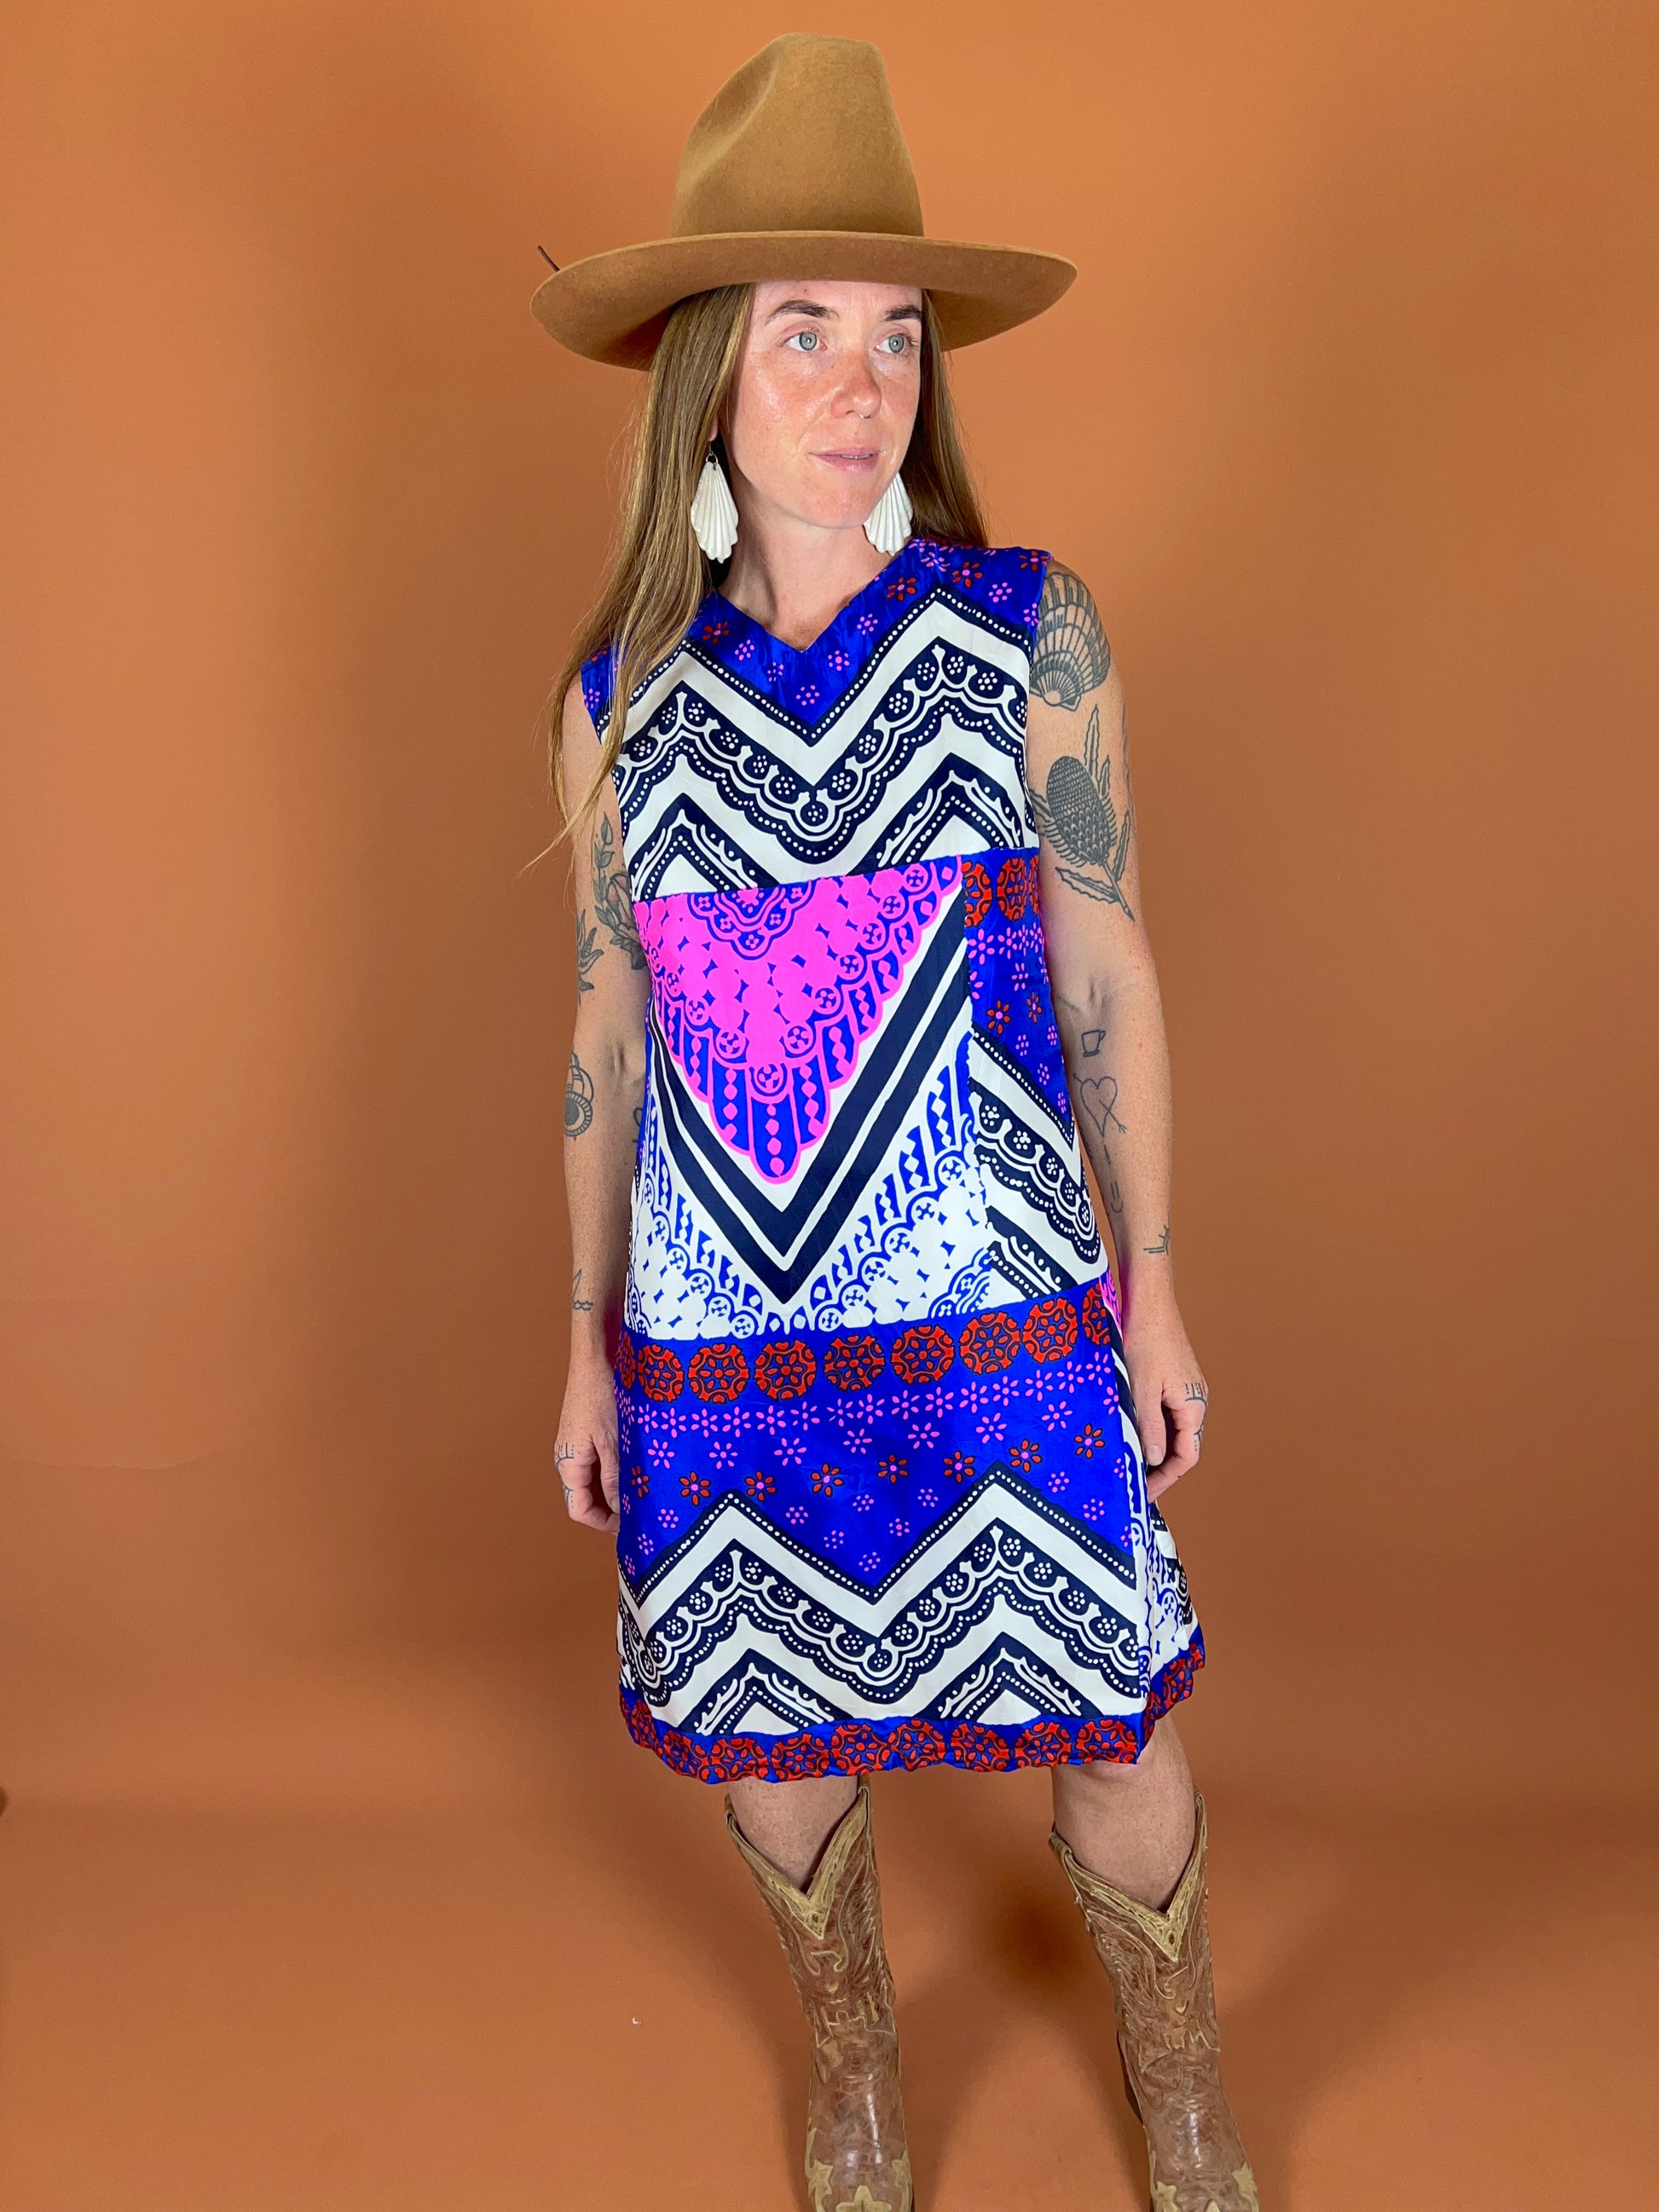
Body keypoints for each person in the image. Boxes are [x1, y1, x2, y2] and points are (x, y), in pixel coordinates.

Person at [535, 34, 1257, 2212]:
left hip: (999, 1297)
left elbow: (1109, 962)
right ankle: (851, 2041)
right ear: (702, 373)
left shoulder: (1025, 632)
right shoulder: (619, 700)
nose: (862, 384)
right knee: (761, 1705)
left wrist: (1152, 1286)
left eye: (896, 335)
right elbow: (605, 1028)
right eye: (803, 330)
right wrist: (582, 1339)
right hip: (719, 1323)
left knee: (1113, 1696)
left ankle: (1177, 2065)